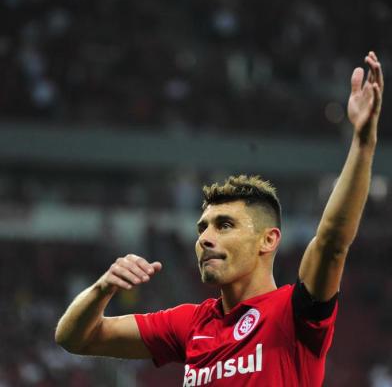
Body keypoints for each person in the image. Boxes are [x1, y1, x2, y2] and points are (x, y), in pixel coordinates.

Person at [55, 51, 384, 386]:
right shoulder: (189, 324)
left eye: (224, 224)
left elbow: (331, 241)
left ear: (268, 239)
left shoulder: (294, 314)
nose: (204, 238)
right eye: (203, 227)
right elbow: (75, 338)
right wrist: (102, 288)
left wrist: (363, 143)